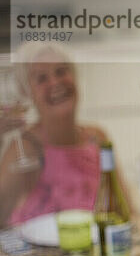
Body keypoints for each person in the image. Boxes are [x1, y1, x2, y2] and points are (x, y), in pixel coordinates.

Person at [0, 43, 110, 227]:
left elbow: (126, 211)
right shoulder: (26, 148)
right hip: (40, 255)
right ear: (27, 92)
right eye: (41, 78)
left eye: (61, 71)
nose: (55, 82)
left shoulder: (97, 138)